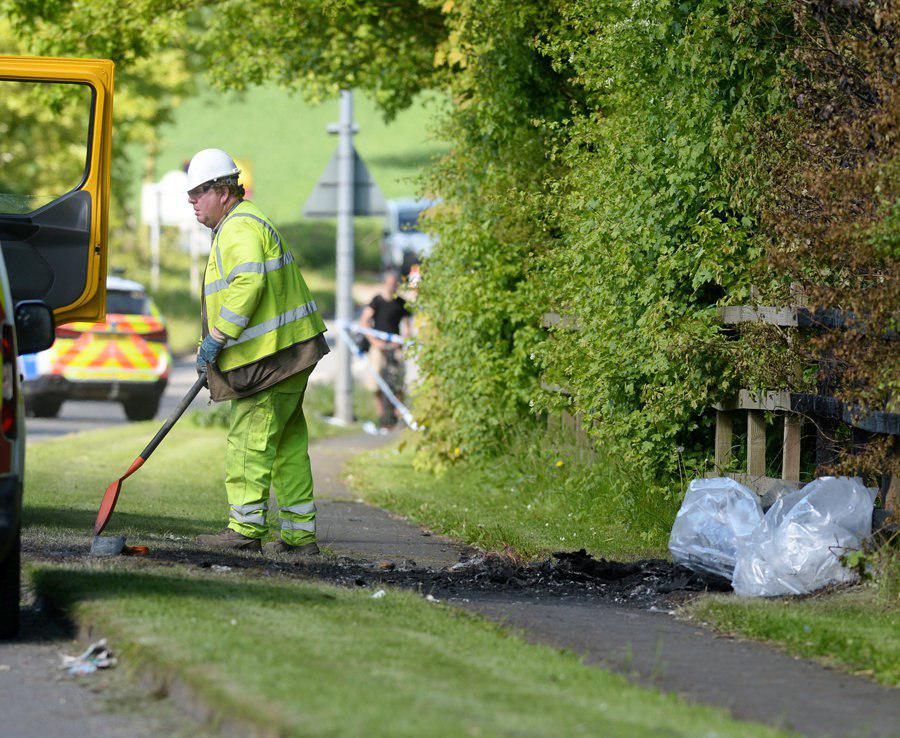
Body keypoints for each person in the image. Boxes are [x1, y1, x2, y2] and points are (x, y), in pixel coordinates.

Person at [187, 148, 329, 557]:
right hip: (290, 354)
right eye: (190, 195)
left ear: (224, 190)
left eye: (198, 193)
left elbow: (248, 285)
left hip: (271, 360)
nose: (193, 202)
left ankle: (245, 530)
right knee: (285, 444)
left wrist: (216, 338)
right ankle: (300, 537)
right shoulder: (243, 224)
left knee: (249, 439)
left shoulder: (239, 229)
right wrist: (210, 344)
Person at [358, 269, 411, 428]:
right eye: (389, 283)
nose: (392, 286)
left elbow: (408, 328)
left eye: (394, 284)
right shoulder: (377, 301)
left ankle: (397, 414)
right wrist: (375, 342)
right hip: (378, 347)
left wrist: (401, 341)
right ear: (384, 284)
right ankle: (382, 416)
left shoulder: (401, 303)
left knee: (399, 380)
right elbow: (364, 322)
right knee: (376, 381)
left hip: (395, 346)